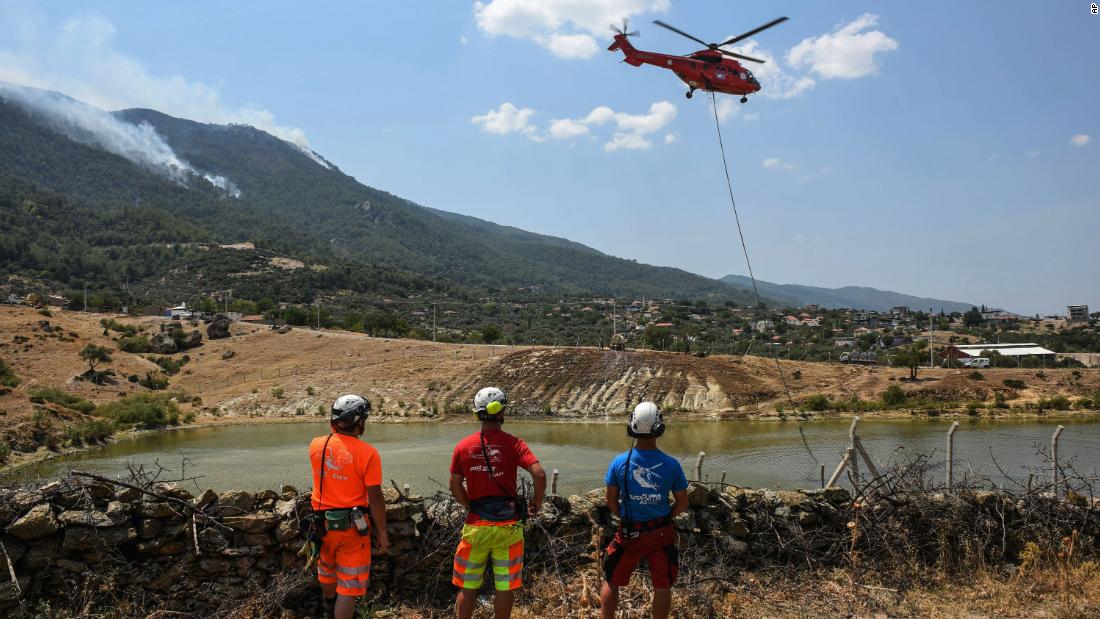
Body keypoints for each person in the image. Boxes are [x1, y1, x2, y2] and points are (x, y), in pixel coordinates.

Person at [450, 387, 547, 619]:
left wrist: (469, 506)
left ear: (478, 414)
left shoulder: (463, 446)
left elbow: (454, 484)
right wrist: (537, 502)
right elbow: (540, 474)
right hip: (509, 527)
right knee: (505, 585)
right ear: (501, 411)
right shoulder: (514, 444)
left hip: (476, 525)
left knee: (468, 585)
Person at [600, 402, 689, 619]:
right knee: (662, 584)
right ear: (659, 428)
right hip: (661, 533)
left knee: (611, 580)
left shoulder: (619, 462)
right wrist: (667, 516)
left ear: (632, 427)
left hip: (630, 533)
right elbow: (682, 503)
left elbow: (611, 501)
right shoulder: (672, 464)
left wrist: (627, 517)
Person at [309, 394, 389, 619]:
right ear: (359, 421)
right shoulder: (368, 453)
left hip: (322, 525)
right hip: (353, 528)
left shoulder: (316, 445)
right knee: (349, 587)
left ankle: (328, 608)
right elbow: (375, 499)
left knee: (327, 571)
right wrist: (382, 532)